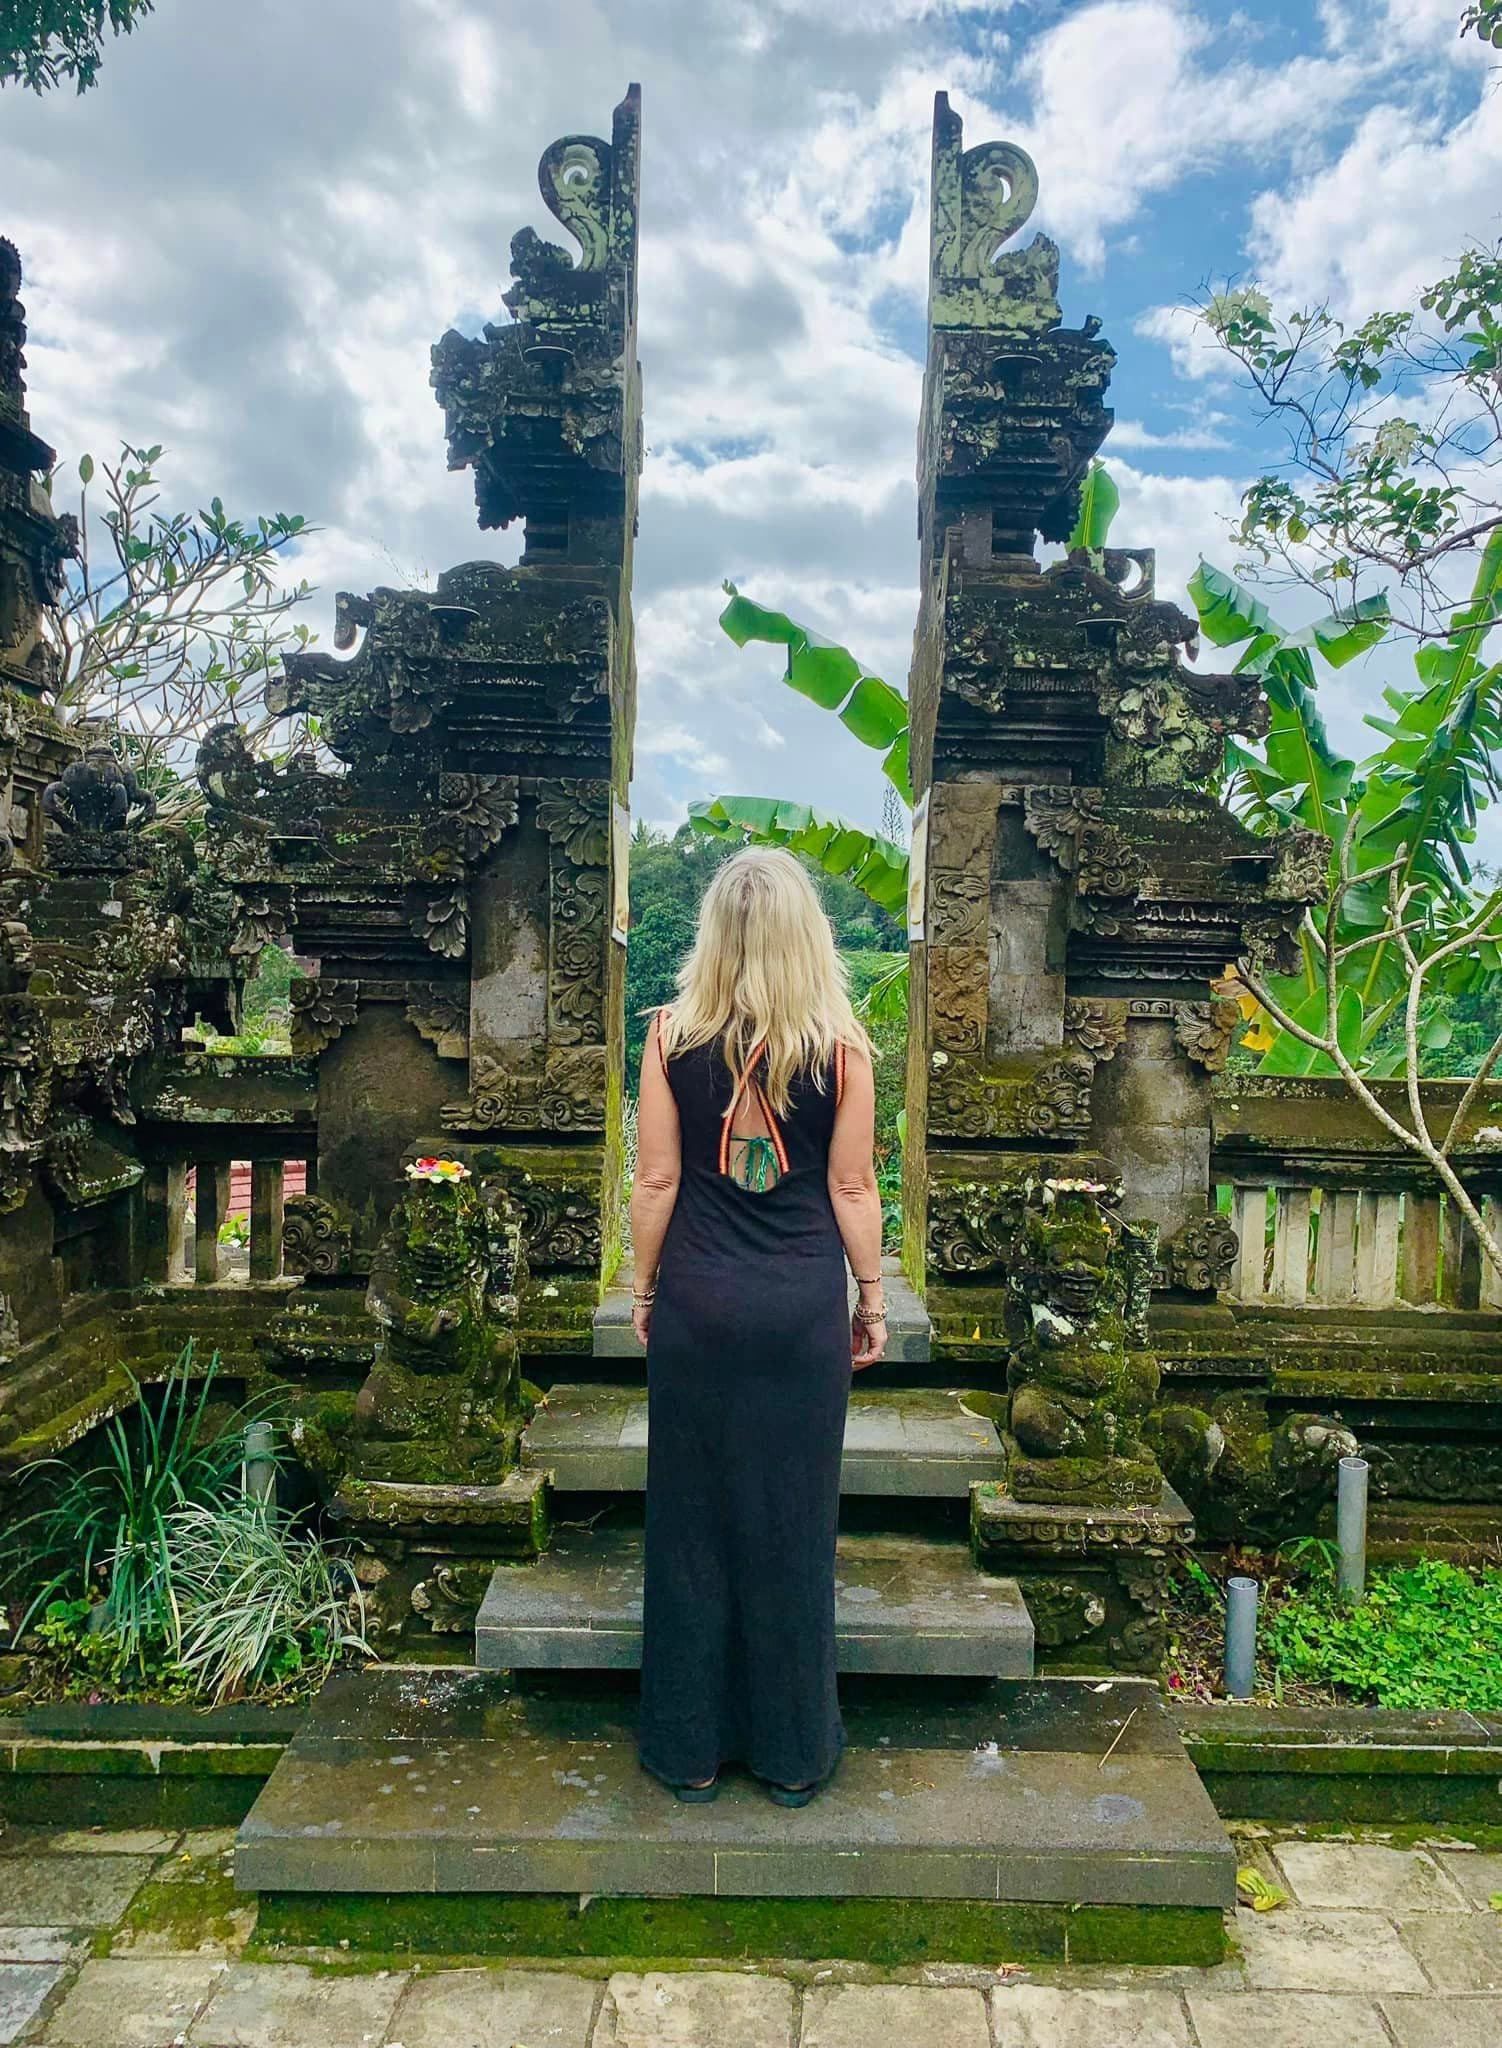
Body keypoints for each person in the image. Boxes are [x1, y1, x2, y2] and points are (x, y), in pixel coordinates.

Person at [629, 845, 889, 1808]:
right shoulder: (843, 1050)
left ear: (714, 935)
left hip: (699, 1305)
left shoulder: (668, 1037)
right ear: (806, 936)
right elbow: (853, 1188)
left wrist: (644, 1292)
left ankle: (688, 1751)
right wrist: (872, 1300)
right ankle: (791, 1754)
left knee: (690, 1525)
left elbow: (656, 1180)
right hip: (798, 1313)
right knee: (792, 1527)